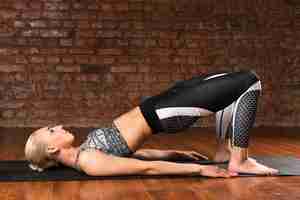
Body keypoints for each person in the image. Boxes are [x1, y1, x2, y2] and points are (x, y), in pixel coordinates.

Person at [25, 70, 279, 178]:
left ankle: (225, 152)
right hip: (163, 113)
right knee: (249, 81)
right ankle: (239, 159)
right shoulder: (89, 162)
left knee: (228, 87)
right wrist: (199, 170)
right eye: (51, 131)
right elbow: (145, 168)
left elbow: (133, 154)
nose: (57, 126)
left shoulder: (86, 153)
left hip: (159, 105)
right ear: (51, 150)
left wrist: (175, 153)